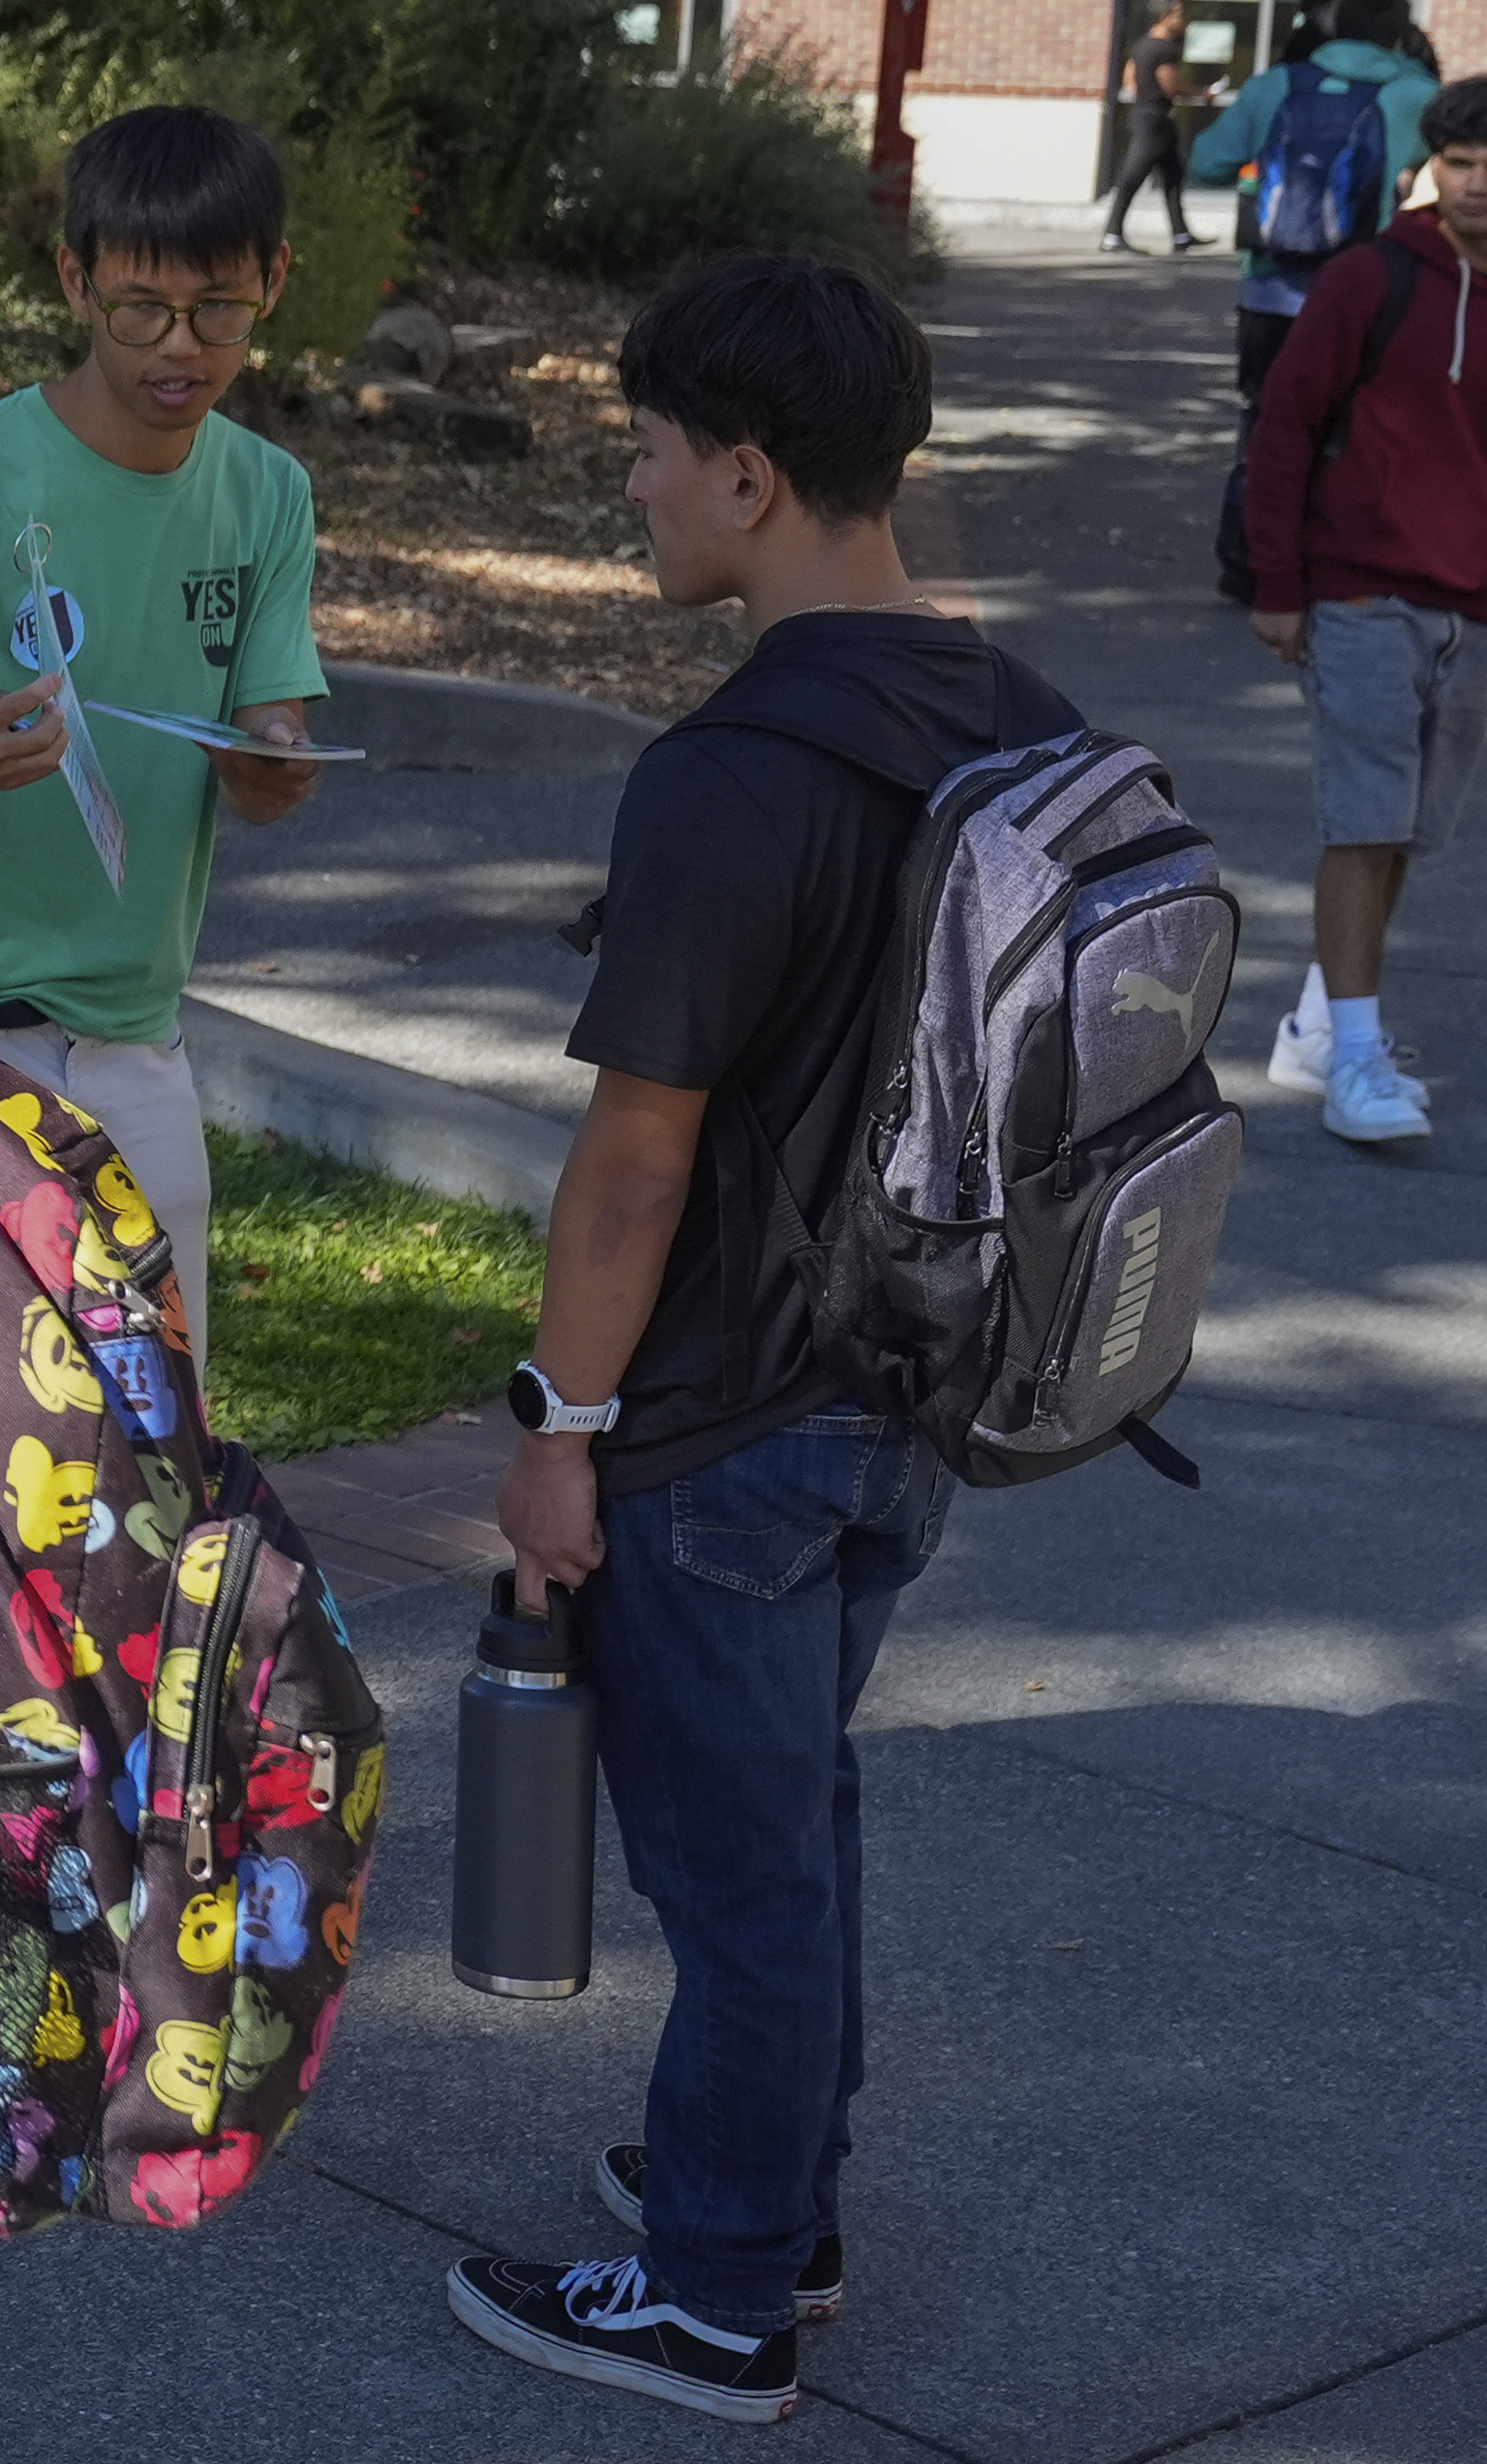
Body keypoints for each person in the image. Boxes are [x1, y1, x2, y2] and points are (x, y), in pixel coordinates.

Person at [457, 253, 1079, 2427]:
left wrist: (561, 1427)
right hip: (915, 1382)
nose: (625, 490)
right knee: (790, 1819)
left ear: (743, 469)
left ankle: (716, 2292)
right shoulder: (1008, 710)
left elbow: (634, 1165)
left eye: (639, 453)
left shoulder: (732, 772)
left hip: (723, 1418)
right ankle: (771, 2194)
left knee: (735, 1872)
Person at [0, 102, 330, 1394]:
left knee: (159, 1437)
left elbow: (274, 725)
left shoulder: (266, 491)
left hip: (134, 1042)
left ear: (273, 281)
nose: (180, 347)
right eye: (138, 308)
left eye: (218, 308)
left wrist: (273, 757)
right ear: (72, 278)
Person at [1243, 71, 1487, 1147]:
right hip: (1358, 592)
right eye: (1457, 163)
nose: (1474, 185)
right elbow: (1281, 428)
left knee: (1402, 831)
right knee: (1362, 823)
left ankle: (1320, 1027)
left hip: (1474, 607)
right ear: (1432, 166)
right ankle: (1355, 1061)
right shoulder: (1372, 281)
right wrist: (1277, 583)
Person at [1188, 0, 1437, 399]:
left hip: (1272, 289)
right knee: (1357, 435)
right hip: (1373, 292)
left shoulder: (1274, 86)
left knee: (1267, 424)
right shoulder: (1422, 96)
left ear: (1333, 26)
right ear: (1400, 34)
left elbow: (1207, 163)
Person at [1098, 1, 1207, 256]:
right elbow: (1171, 85)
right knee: (1132, 177)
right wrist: (1203, 93)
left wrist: (1146, 93)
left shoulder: (1142, 45)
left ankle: (1181, 235)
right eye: (1179, 15)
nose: (1183, 21)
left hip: (1148, 116)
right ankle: (1112, 234)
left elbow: (1129, 80)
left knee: (1173, 177)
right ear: (1166, 17)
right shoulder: (1164, 49)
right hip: (1154, 122)